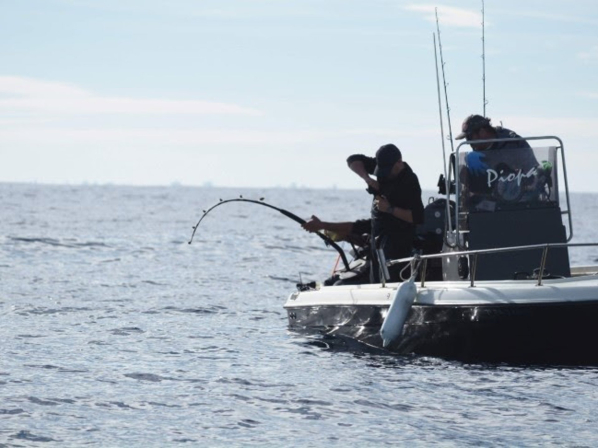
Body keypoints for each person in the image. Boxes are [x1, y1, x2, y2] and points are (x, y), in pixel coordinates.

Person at [302, 144, 424, 283]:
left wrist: (389, 209)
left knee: (385, 282)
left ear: (399, 162)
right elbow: (352, 160)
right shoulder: (383, 167)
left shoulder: (409, 182)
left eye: (387, 171)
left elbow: (418, 217)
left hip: (396, 246)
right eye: (381, 171)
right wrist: (368, 179)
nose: (384, 174)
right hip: (376, 240)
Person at [456, 114, 539, 205]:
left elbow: (533, 173)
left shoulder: (514, 144)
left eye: (470, 137)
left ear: (482, 132)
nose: (468, 142)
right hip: (493, 202)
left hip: (520, 201)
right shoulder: (476, 155)